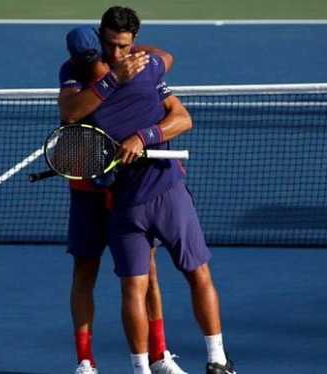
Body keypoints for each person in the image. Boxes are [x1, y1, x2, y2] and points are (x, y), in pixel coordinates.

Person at [78, 7, 237, 374]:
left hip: (167, 191)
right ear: (98, 37)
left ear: (133, 43)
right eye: (109, 45)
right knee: (132, 288)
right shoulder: (86, 82)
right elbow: (71, 114)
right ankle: (140, 369)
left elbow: (183, 117)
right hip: (124, 203)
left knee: (198, 273)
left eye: (124, 47)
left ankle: (217, 360)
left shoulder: (148, 68)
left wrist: (143, 136)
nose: (117, 54)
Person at [59, 26, 190, 374]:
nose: (92, 64)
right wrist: (111, 79)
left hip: (128, 192)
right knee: (85, 272)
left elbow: (166, 57)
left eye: (97, 57)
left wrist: (136, 55)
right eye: (84, 60)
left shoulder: (124, 60)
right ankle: (85, 362)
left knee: (146, 274)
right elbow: (71, 114)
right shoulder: (73, 74)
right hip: (88, 192)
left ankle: (159, 356)